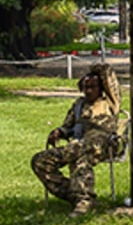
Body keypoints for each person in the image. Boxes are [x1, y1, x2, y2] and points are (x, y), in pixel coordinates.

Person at [31, 64, 121, 214]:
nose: (89, 91)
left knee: (80, 154)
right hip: (77, 146)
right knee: (40, 161)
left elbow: (107, 71)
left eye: (93, 87)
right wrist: (59, 132)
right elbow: (67, 126)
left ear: (101, 88)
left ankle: (84, 201)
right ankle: (77, 196)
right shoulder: (78, 105)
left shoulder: (110, 102)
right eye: (86, 87)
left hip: (103, 144)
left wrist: (93, 71)